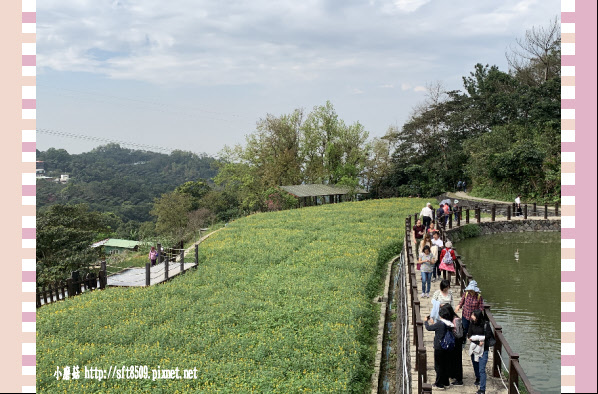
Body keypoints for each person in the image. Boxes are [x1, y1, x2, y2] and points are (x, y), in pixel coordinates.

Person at [425, 306, 455, 389]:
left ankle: (439, 384)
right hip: (447, 347)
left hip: (439, 347)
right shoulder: (450, 323)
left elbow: (428, 328)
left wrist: (425, 321)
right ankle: (446, 383)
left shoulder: (440, 324)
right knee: (445, 365)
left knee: (438, 366)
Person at [467, 309, 494, 393]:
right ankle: (478, 378)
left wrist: (480, 339)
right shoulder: (472, 324)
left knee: (482, 369)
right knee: (475, 365)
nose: (471, 317)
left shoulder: (486, 325)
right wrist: (478, 341)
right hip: (474, 348)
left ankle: (482, 389)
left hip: (484, 349)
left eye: (473, 315)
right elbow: (469, 335)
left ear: (477, 317)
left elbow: (488, 335)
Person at [441, 304, 464, 386]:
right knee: (451, 359)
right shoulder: (450, 319)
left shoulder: (456, 320)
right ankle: (452, 374)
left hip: (457, 343)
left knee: (457, 360)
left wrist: (450, 330)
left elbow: (459, 334)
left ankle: (459, 379)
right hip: (452, 342)